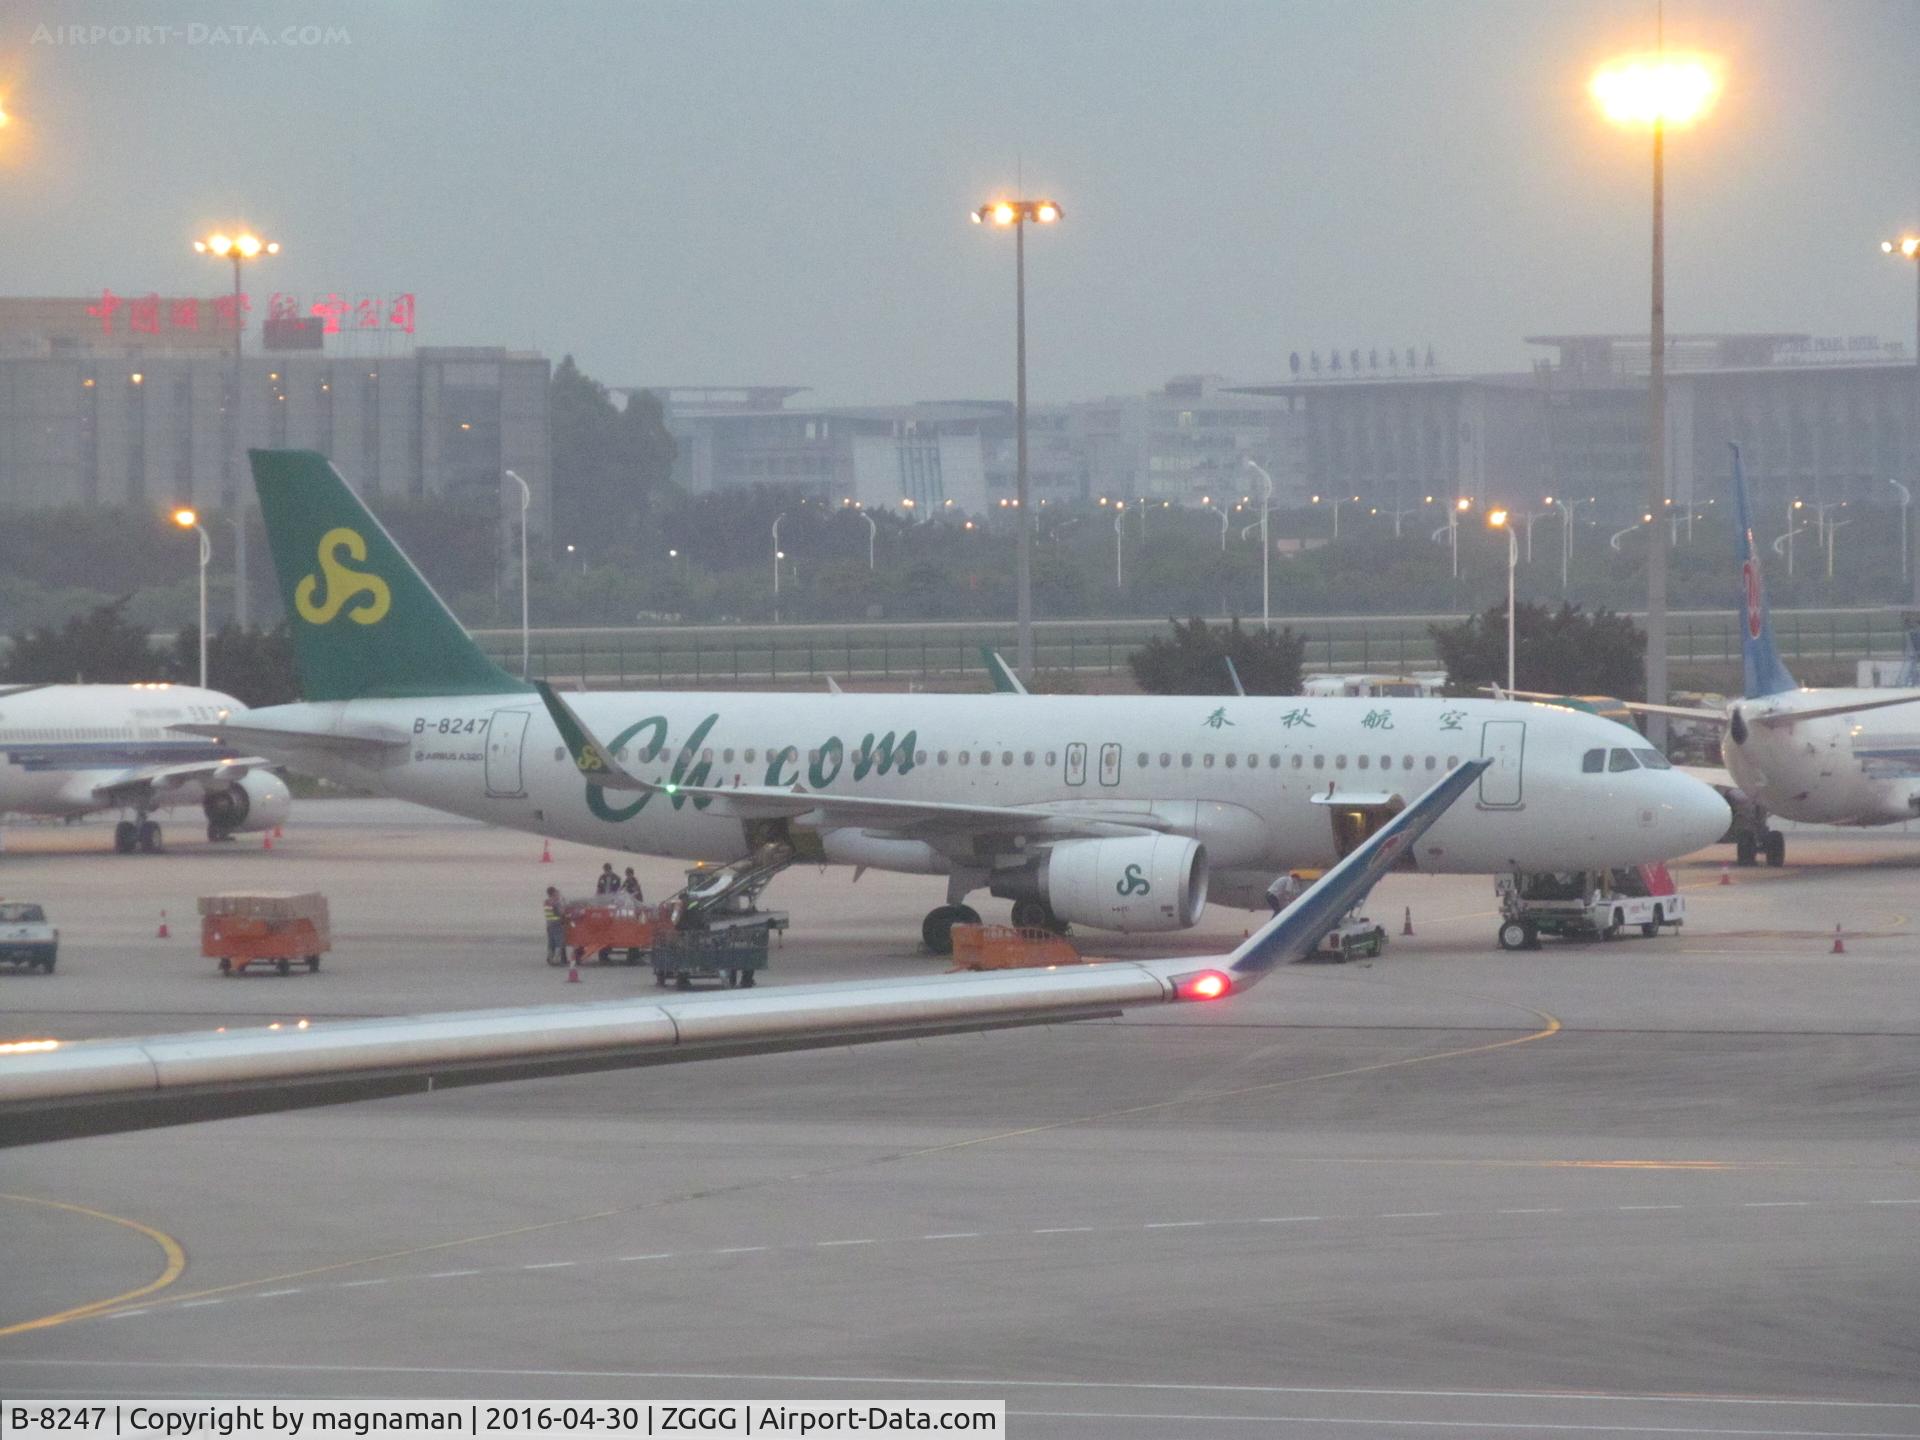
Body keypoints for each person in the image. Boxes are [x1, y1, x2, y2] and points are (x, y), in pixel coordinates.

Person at [543, 886, 566, 965]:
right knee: (558, 942)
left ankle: (550, 957)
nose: (558, 894)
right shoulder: (556, 902)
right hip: (557, 923)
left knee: (551, 942)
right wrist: (562, 904)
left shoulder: (546, 902)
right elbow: (561, 912)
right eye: (556, 892)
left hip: (549, 924)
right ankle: (557, 959)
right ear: (553, 893)